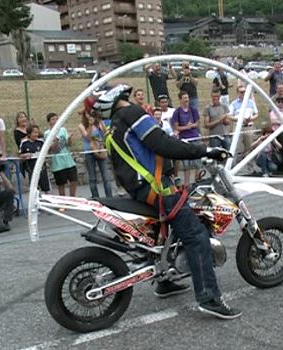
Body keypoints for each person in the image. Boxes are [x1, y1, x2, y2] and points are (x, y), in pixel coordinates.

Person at [88, 83, 241, 319]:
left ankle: (166, 280)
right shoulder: (132, 114)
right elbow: (164, 144)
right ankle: (209, 297)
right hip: (158, 189)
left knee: (170, 235)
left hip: (142, 190)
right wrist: (206, 150)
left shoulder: (114, 125)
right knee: (197, 236)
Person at [78, 109, 113, 198]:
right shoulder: (82, 126)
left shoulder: (100, 123)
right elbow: (88, 138)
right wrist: (90, 125)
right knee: (92, 177)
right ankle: (96, 198)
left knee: (106, 176)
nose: (89, 115)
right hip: (89, 152)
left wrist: (103, 128)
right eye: (87, 113)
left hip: (100, 150)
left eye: (90, 113)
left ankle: (110, 198)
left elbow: (106, 135)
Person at [44, 112, 78, 199]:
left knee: (73, 180)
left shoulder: (63, 130)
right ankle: (63, 200)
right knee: (61, 183)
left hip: (68, 160)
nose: (55, 121)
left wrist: (70, 139)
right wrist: (56, 141)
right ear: (49, 122)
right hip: (57, 163)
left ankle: (72, 198)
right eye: (53, 119)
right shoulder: (47, 134)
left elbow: (68, 144)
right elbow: (52, 149)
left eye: (56, 118)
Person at [171, 91, 202, 186]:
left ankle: (198, 180)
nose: (186, 100)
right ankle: (187, 184)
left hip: (195, 138)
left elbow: (197, 123)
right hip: (184, 140)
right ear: (180, 99)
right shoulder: (177, 112)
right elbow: (176, 127)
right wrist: (186, 127)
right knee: (186, 164)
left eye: (187, 97)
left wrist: (192, 125)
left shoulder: (193, 110)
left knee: (197, 162)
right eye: (184, 98)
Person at [19, 125, 51, 194]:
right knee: (34, 188)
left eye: (37, 132)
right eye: (34, 132)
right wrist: (26, 155)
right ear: (29, 133)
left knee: (45, 187)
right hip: (31, 168)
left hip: (42, 168)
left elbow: (46, 153)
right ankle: (34, 202)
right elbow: (20, 155)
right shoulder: (24, 143)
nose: (36, 134)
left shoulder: (41, 142)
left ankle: (46, 200)